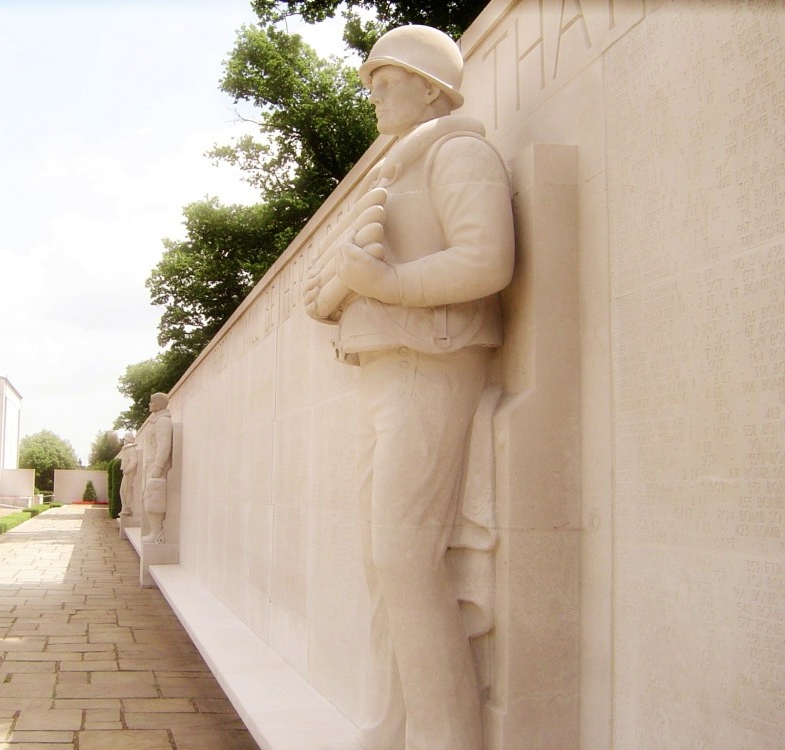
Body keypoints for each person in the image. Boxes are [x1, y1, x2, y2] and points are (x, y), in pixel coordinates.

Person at [303, 25, 514, 750]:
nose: (371, 95)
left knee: (404, 556)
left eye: (382, 79)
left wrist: (388, 284)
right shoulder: (394, 171)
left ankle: (447, 738)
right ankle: (392, 727)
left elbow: (487, 260)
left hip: (434, 363)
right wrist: (338, 289)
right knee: (382, 560)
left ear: (430, 85)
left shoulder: (459, 153)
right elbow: (337, 285)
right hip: (387, 371)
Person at [139, 392, 173, 543]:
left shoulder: (163, 421)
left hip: (156, 467)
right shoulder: (156, 421)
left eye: (151, 402)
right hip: (151, 466)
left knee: (154, 499)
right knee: (148, 499)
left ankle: (157, 532)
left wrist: (158, 466)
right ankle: (154, 531)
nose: (149, 404)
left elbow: (164, 445)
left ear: (158, 403)